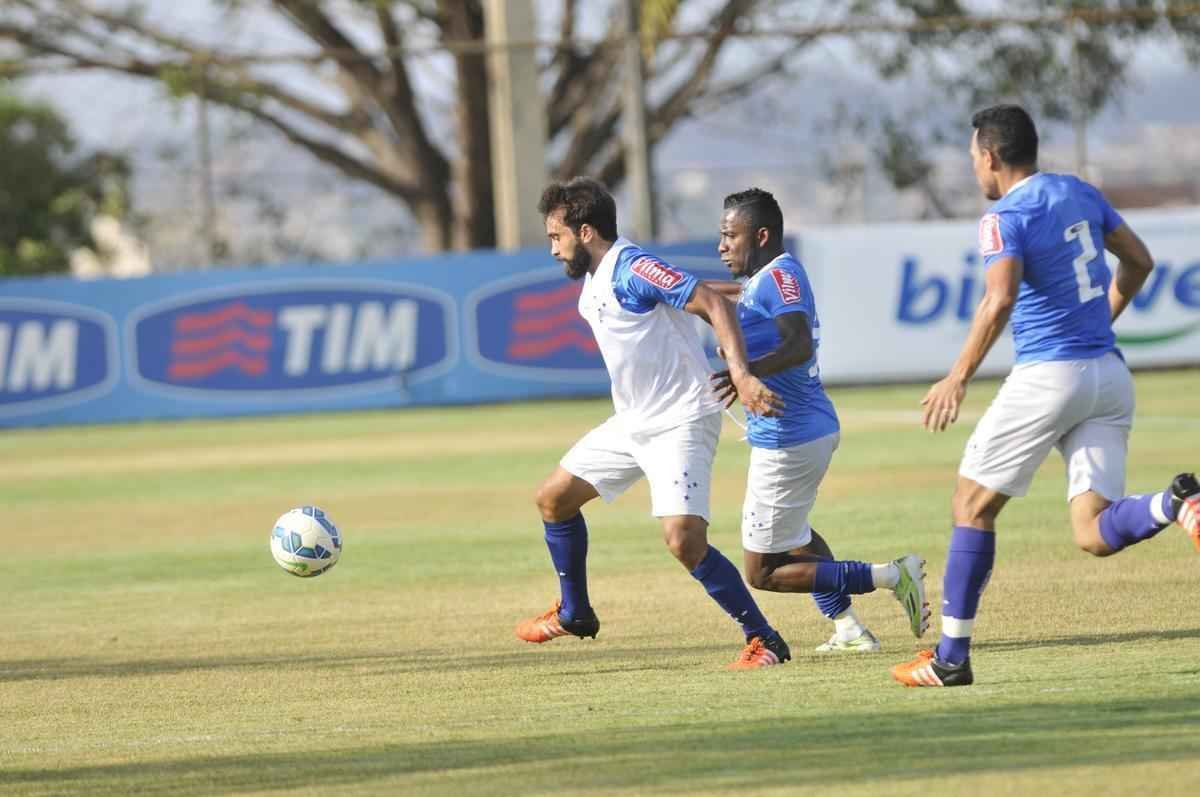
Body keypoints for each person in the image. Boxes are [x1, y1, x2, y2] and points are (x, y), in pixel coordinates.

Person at [891, 104, 1200, 688]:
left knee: (971, 506)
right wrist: (1104, 317)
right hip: (1108, 375)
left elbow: (999, 298)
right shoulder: (1079, 192)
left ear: (990, 156)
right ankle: (1178, 503)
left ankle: (951, 659)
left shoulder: (1002, 217)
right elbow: (1140, 260)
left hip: (1049, 377)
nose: (973, 170)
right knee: (1092, 531)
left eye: (972, 159)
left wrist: (957, 375)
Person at [514, 176, 793, 669]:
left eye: (556, 237)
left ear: (584, 231)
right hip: (634, 421)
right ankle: (576, 611)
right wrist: (746, 290)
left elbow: (709, 302)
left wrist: (743, 374)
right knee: (553, 499)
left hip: (681, 419)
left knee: (683, 540)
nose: (552, 249)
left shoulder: (632, 266)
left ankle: (763, 638)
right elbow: (705, 291)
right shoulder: (599, 275)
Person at [708, 187, 929, 653]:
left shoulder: (778, 278)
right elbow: (739, 298)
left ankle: (891, 574)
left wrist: (745, 373)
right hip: (802, 430)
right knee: (800, 539)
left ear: (761, 234)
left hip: (789, 436)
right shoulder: (766, 278)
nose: (722, 245)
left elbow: (798, 343)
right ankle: (848, 628)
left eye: (730, 235)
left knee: (763, 571)